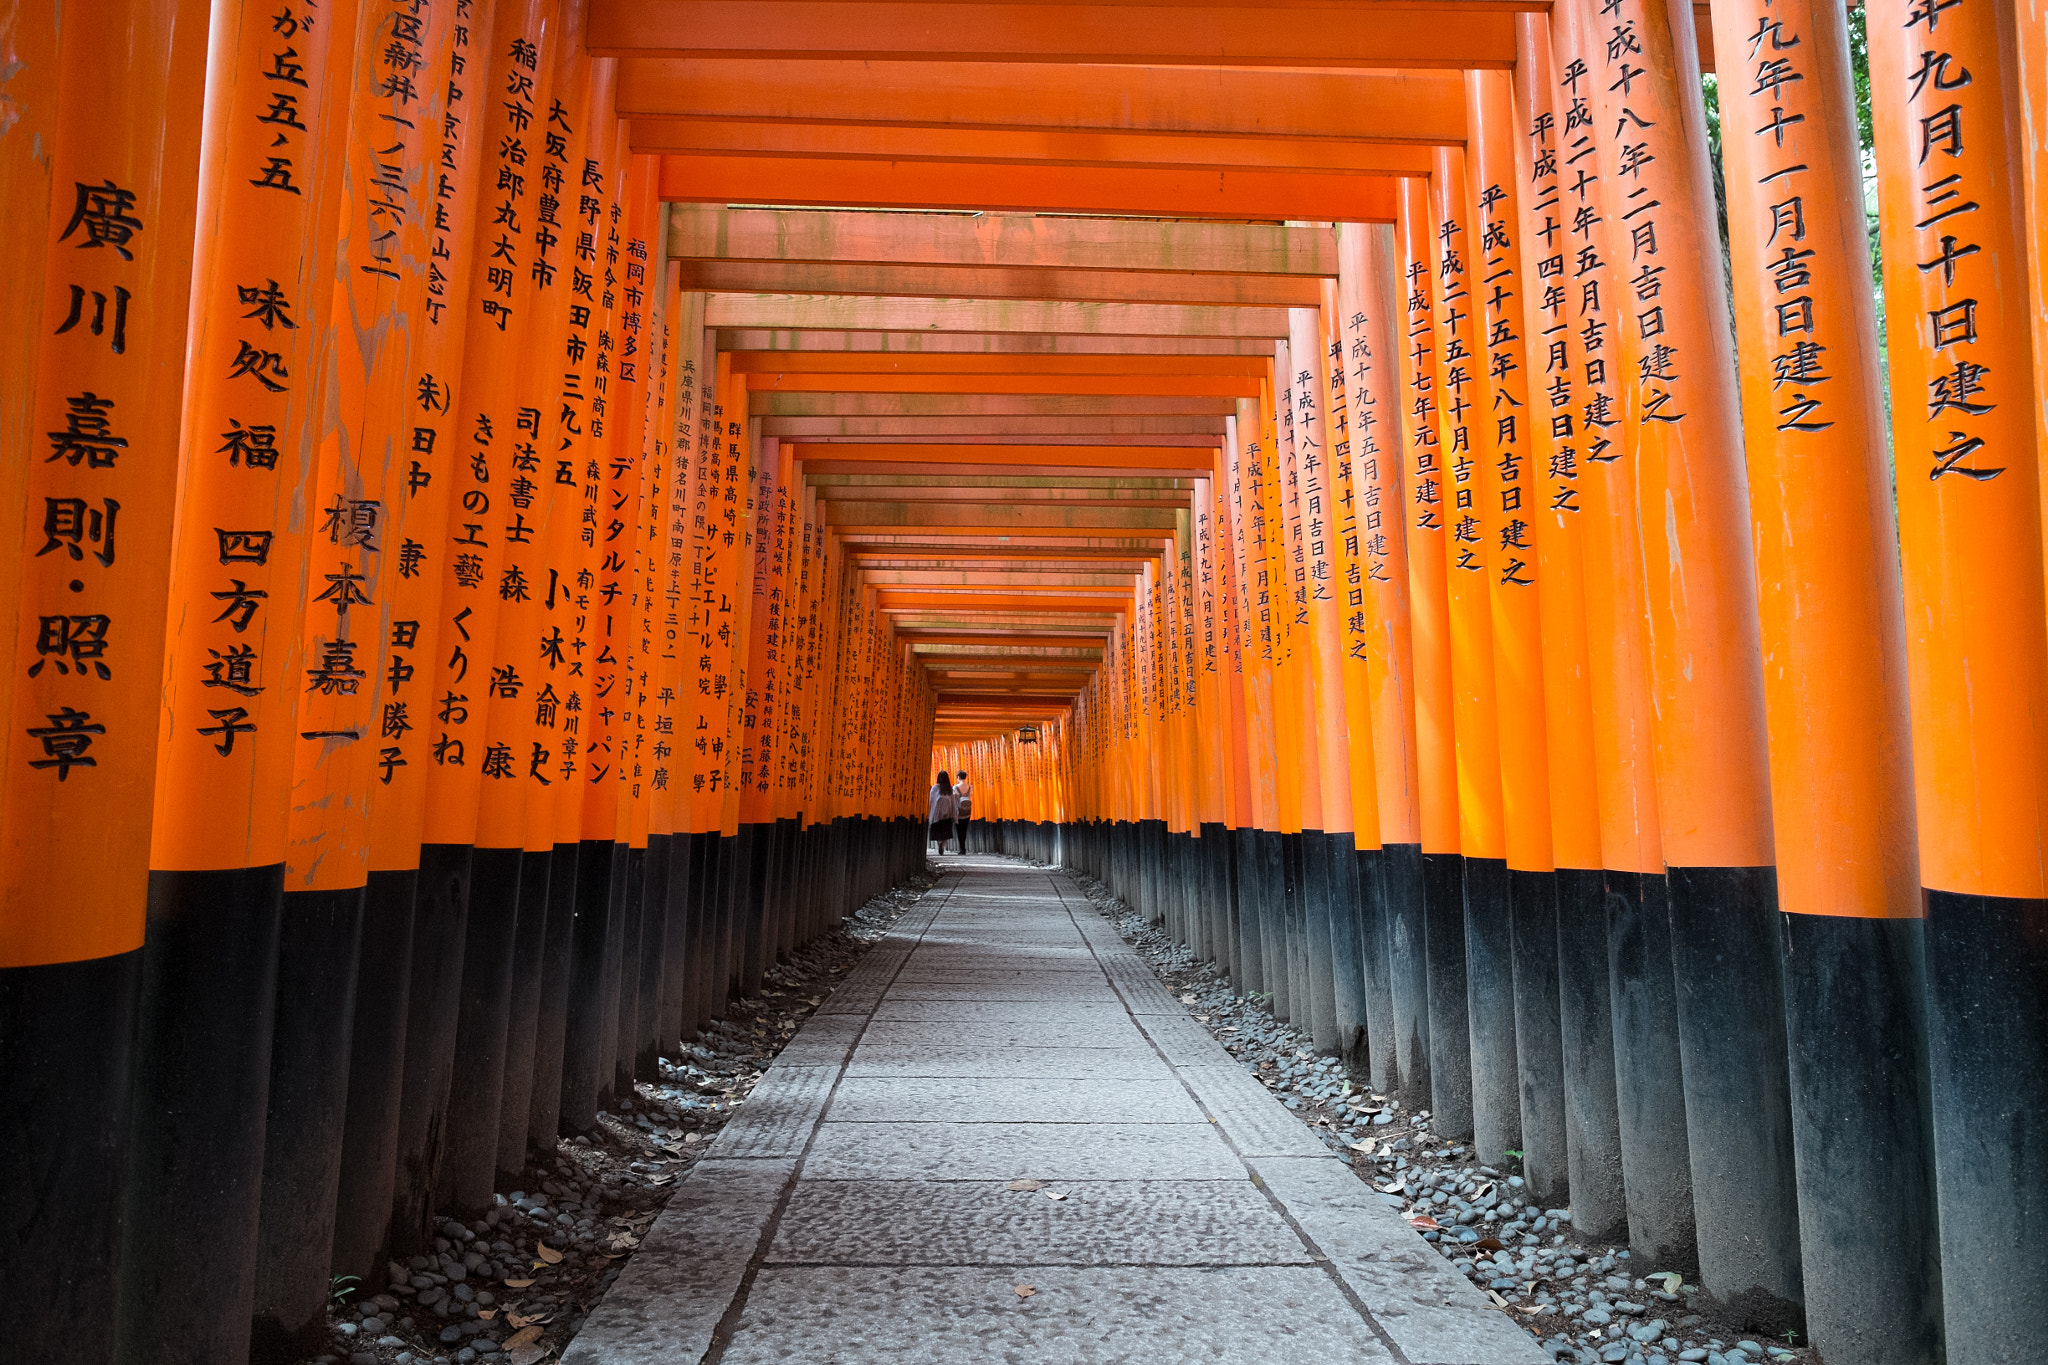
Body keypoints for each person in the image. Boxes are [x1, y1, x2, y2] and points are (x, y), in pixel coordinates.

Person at [927, 771, 958, 857]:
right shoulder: (949, 789)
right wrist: (953, 814)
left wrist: (930, 814)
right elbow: (953, 803)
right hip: (947, 815)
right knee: (945, 832)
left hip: (937, 815)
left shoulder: (934, 789)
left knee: (937, 831)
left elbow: (931, 802)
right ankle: (942, 845)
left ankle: (939, 844)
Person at [953, 771, 973, 852]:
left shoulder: (955, 787)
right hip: (967, 810)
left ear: (958, 777)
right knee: (964, 829)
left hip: (958, 811)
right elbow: (971, 796)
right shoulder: (969, 787)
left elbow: (954, 798)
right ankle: (963, 847)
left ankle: (962, 848)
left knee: (959, 829)